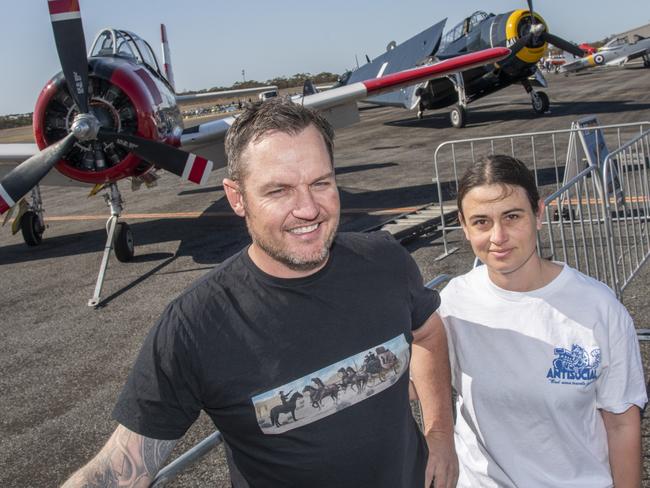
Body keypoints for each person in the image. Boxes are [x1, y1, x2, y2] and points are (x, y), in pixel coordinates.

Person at [62, 99, 458, 487]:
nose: (308, 208)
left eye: (321, 182)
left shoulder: (387, 262)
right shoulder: (196, 326)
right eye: (279, 191)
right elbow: (120, 468)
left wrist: (440, 431)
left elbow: (426, 332)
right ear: (237, 197)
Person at [435, 154, 647, 487]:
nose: (498, 236)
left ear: (539, 213)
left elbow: (621, 423)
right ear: (463, 226)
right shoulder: (451, 305)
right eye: (481, 222)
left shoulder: (598, 308)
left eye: (512, 216)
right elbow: (411, 382)